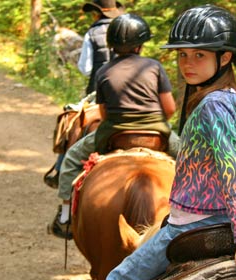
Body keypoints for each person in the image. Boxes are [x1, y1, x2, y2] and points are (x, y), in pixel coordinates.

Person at [101, 5, 236, 280]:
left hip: (191, 223)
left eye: (199, 55)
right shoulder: (230, 99)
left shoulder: (212, 104)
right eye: (183, 54)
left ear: (224, 58)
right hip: (228, 218)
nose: (188, 63)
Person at [47, 13, 178, 239]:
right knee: (195, 163)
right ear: (141, 44)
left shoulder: (104, 71)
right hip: (156, 132)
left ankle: (65, 217)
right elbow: (169, 109)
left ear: (112, 45)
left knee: (70, 159)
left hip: (116, 133)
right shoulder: (154, 67)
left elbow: (104, 113)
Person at [43, 0, 124, 189]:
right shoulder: (125, 30)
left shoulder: (92, 33)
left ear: (96, 14)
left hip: (98, 93)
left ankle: (60, 169)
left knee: (71, 121)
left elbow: (85, 68)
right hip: (130, 95)